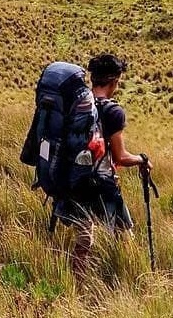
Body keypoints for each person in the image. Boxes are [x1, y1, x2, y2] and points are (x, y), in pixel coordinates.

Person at [54, 53, 152, 278]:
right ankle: (128, 280)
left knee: (84, 237)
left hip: (73, 179)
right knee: (124, 235)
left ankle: (76, 282)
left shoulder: (78, 105)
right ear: (115, 81)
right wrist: (142, 159)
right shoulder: (113, 111)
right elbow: (120, 157)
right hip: (100, 184)